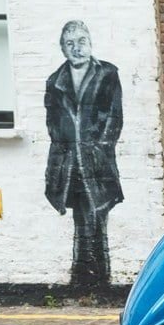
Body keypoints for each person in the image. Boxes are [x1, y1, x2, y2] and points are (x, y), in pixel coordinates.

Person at [44, 21, 124, 289]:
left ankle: (98, 275)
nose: (76, 48)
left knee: (98, 213)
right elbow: (53, 123)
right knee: (81, 217)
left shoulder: (108, 74)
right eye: (69, 43)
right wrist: (65, 148)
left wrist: (100, 147)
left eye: (81, 41)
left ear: (90, 43)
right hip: (69, 164)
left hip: (98, 162)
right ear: (62, 48)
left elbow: (114, 117)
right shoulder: (55, 82)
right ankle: (82, 276)